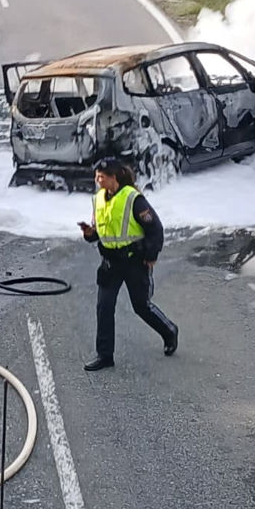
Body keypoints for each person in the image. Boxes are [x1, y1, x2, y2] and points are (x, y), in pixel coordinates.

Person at [77, 157, 178, 371]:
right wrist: (89, 233)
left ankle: (169, 331)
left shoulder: (133, 199)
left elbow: (155, 229)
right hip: (110, 263)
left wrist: (151, 256)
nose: (97, 180)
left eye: (102, 177)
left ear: (114, 177)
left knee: (141, 306)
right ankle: (105, 355)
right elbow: (101, 232)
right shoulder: (98, 199)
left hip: (134, 262)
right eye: (96, 176)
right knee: (104, 307)